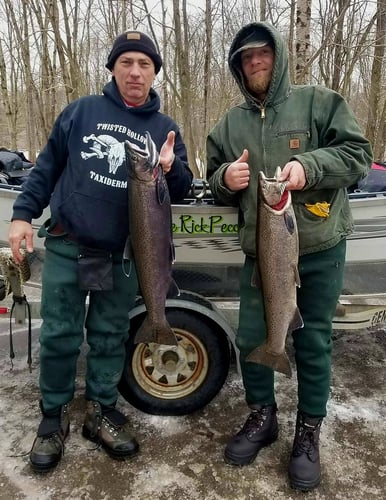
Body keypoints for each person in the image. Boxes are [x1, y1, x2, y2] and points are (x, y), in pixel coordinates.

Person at [8, 30, 193, 473]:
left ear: (153, 73)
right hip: (70, 245)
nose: (135, 71)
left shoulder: (165, 128)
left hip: (129, 256)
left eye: (144, 64)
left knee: (111, 337)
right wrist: (20, 215)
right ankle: (53, 419)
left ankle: (100, 412)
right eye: (126, 62)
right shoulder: (82, 112)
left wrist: (171, 167)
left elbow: (182, 188)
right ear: (112, 68)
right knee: (59, 337)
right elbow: (46, 168)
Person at [207, 22, 372, 491]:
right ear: (238, 68)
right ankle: (263, 416)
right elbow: (212, 175)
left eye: (262, 54)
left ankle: (308, 430)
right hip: (264, 254)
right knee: (255, 337)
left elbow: (358, 155)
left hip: (319, 247)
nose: (254, 62)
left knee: (314, 340)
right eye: (245, 58)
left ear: (277, 56)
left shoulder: (319, 102)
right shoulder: (229, 122)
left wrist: (310, 166)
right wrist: (225, 179)